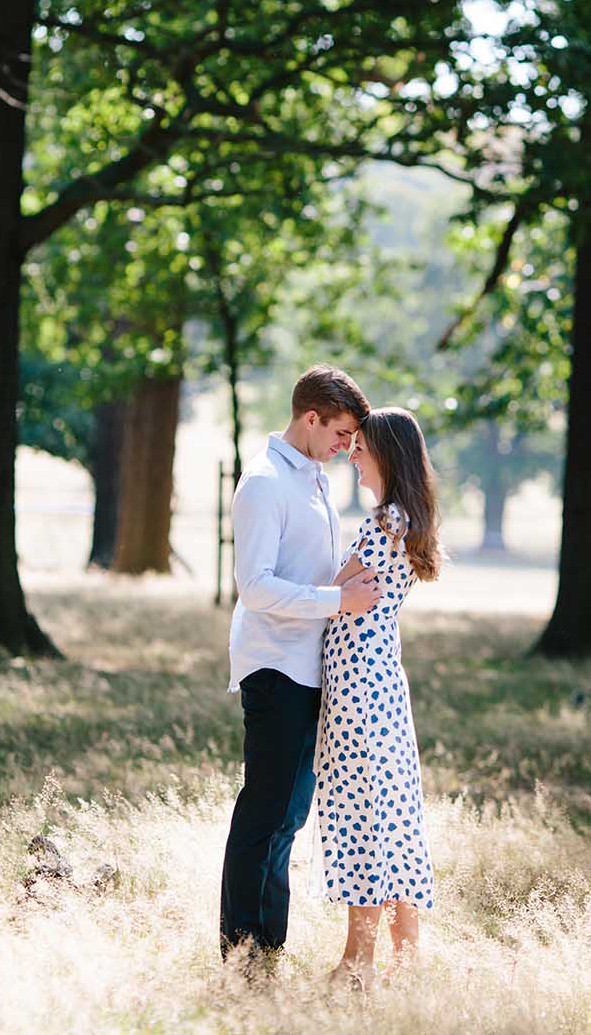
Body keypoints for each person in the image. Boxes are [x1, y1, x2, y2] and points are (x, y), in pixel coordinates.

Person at [219, 364, 380, 964]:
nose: (347, 448)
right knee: (264, 812)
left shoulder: (311, 478)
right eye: (341, 434)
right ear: (311, 418)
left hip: (311, 666)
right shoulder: (264, 483)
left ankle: (269, 946)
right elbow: (255, 587)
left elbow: (302, 569)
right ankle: (242, 951)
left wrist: (340, 582)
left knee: (290, 815)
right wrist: (338, 600)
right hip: (274, 667)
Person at [315, 407, 443, 989]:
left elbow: (332, 593)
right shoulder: (404, 520)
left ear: (386, 455)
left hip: (359, 684)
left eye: (360, 446)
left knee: (361, 817)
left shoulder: (383, 524)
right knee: (391, 814)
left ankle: (357, 963)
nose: (351, 454)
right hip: (380, 680)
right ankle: (406, 964)